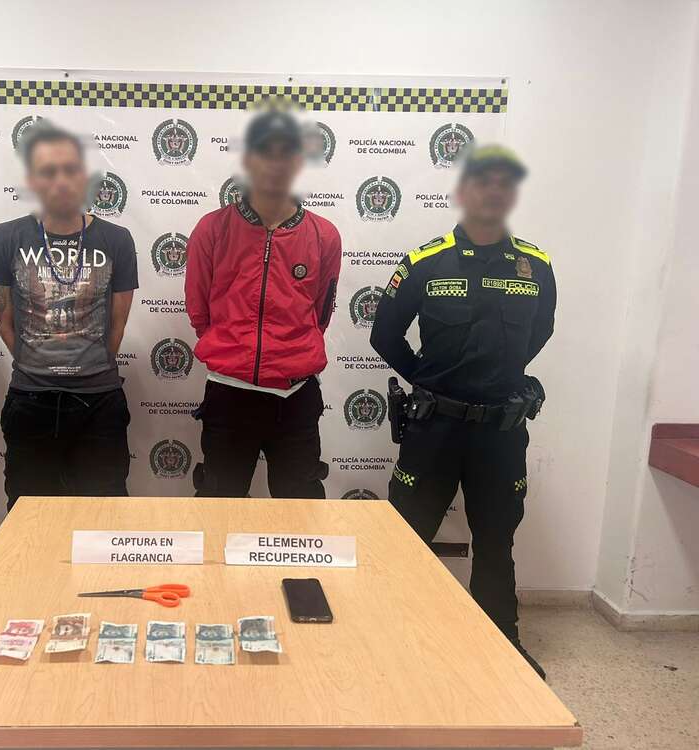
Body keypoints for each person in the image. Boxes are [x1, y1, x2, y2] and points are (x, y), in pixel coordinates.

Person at [370, 144, 556, 679]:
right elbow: (385, 334)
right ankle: (391, 642)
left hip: (501, 432)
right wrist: (430, 382)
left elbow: (540, 333)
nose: (492, 193)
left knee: (496, 540)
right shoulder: (425, 262)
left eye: (503, 184)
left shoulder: (536, 266)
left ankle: (501, 646)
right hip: (435, 428)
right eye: (482, 182)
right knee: (408, 538)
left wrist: (499, 380)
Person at [185, 110, 342, 498]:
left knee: (301, 514)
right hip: (229, 395)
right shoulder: (212, 229)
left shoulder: (325, 236)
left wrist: (286, 356)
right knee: (219, 508)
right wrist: (235, 353)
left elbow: (319, 314)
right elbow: (199, 311)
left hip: (296, 397)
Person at [0, 125, 137, 507]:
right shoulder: (5, 238)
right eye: (48, 172)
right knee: (30, 516)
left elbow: (117, 326)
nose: (61, 181)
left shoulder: (117, 240)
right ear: (32, 181)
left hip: (99, 400)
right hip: (30, 398)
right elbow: (4, 322)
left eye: (70, 170)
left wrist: (87, 367)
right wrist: (39, 365)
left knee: (103, 516)